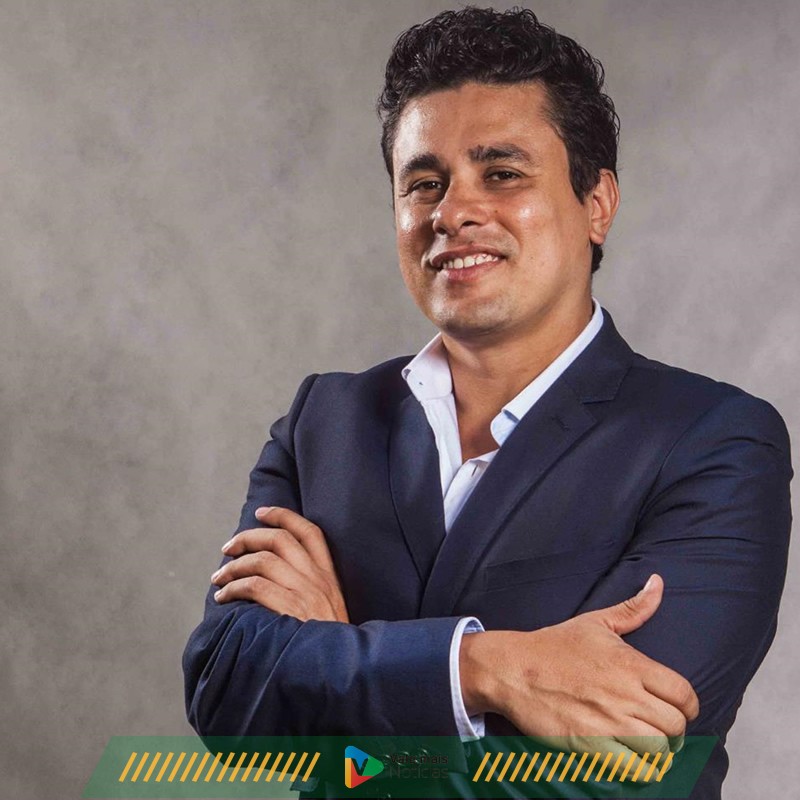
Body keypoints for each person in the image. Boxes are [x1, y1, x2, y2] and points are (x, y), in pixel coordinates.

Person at [182, 7, 792, 799]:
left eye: (501, 173)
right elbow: (228, 692)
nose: (452, 212)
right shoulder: (324, 423)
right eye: (424, 183)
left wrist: (337, 662)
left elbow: (615, 777)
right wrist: (486, 668)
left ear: (596, 203)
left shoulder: (712, 440)